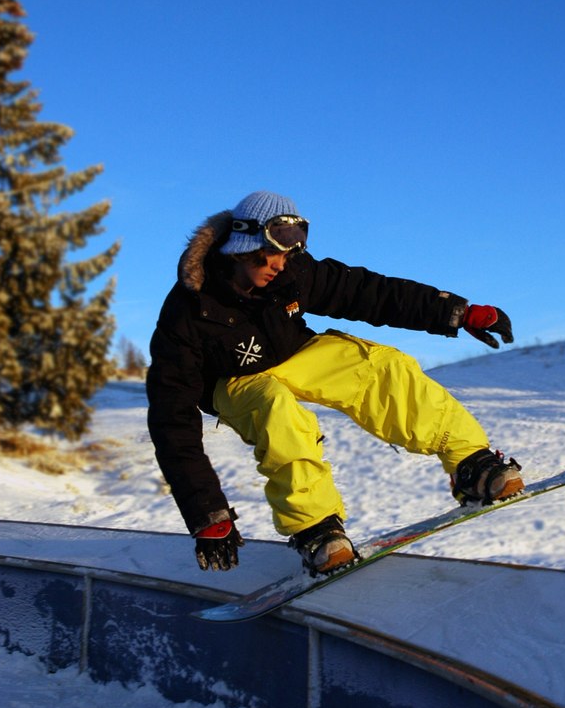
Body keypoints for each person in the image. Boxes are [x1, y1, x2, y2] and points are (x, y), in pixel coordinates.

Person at [146, 190, 524, 577]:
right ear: (243, 245)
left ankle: (471, 465)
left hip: (295, 351)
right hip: (235, 381)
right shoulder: (187, 312)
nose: (279, 265)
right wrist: (207, 513)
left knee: (380, 365)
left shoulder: (294, 271)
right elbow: (171, 418)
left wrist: (458, 312)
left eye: (288, 255)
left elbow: (371, 293)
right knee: (277, 410)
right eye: (271, 254)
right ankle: (317, 530)